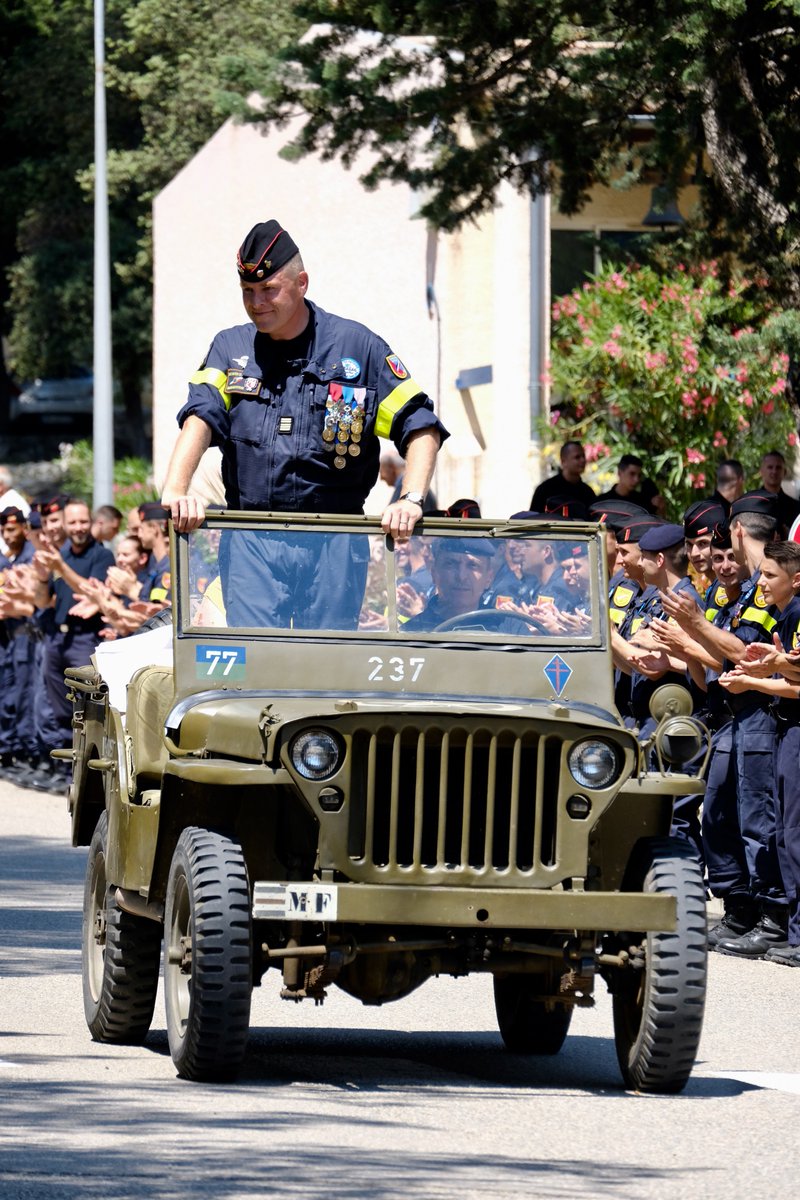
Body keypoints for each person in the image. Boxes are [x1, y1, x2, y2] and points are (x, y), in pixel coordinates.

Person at [160, 219, 447, 625]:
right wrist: (176, 490)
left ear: (302, 283)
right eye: (247, 291)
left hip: (333, 539)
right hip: (252, 538)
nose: (257, 302)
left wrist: (411, 499)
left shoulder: (357, 347)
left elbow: (420, 425)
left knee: (324, 658)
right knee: (256, 655)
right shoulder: (231, 347)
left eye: (268, 289)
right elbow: (200, 415)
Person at [718, 541, 800, 964]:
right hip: (786, 726)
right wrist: (768, 666)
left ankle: (792, 932)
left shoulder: (797, 613)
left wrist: (758, 677)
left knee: (791, 832)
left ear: (796, 580)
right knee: (785, 833)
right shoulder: (787, 614)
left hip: (794, 727)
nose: (761, 582)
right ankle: (793, 932)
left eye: (770, 575)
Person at [31, 499, 115, 791]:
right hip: (58, 638)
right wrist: (42, 577)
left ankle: (84, 777)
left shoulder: (102, 555)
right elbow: (42, 601)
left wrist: (60, 567)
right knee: (58, 710)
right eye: (73, 522)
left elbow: (91, 592)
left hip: (85, 638)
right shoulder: (61, 556)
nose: (78, 528)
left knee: (85, 710)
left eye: (83, 521)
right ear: (65, 525)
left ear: (91, 522)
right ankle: (65, 771)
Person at [403, 539, 498, 632]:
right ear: (434, 574)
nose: (461, 576)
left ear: (489, 578)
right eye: (451, 564)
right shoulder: (412, 631)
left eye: (473, 565)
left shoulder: (503, 627)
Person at [529, 441, 596, 512]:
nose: (583, 460)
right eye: (577, 457)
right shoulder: (545, 490)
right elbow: (533, 517)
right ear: (563, 461)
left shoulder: (588, 492)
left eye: (583, 456)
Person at [758, 450, 800, 536]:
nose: (774, 471)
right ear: (761, 471)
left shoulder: (795, 507)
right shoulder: (752, 503)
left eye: (778, 468)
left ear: (785, 472)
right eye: (770, 467)